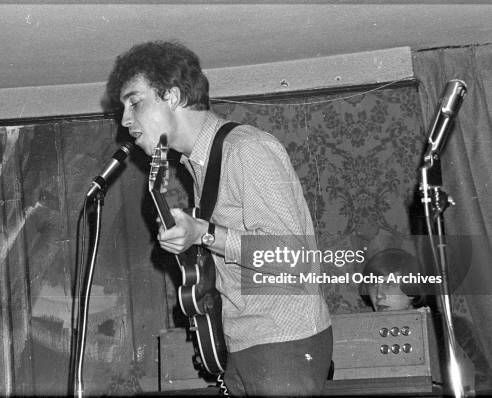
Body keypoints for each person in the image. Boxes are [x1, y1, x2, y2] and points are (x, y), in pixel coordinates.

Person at [106, 40, 332, 396]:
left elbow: (293, 258)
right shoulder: (200, 166)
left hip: (283, 341)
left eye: (135, 102)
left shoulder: (246, 149)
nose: (125, 120)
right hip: (245, 344)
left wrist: (205, 233)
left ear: (175, 97)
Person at [359, 248, 491, 392]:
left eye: (389, 284)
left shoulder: (449, 327)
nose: (378, 295)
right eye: (373, 285)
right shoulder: (363, 332)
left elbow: (481, 381)